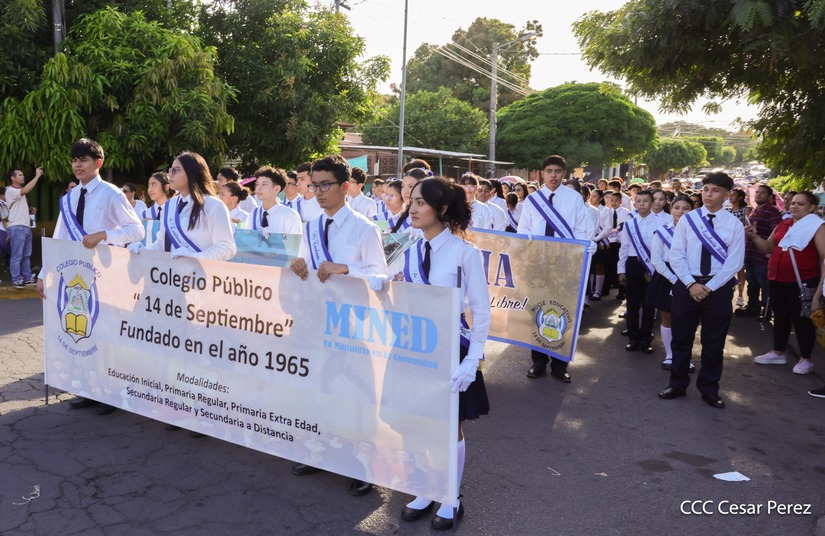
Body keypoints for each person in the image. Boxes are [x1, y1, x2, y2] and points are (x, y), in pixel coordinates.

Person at [371, 177, 490, 530]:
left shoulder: (464, 253)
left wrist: (473, 359)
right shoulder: (408, 246)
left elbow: (481, 312)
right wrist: (380, 280)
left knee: (448, 425)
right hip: (411, 342)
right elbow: (386, 276)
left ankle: (451, 496)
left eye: (421, 202)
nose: (414, 208)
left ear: (441, 209)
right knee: (412, 419)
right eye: (412, 201)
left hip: (449, 344)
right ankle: (425, 488)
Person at [289, 154, 387, 497]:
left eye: (325, 184)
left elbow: (381, 278)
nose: (318, 191)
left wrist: (348, 270)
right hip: (319, 323)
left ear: (345, 187)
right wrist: (298, 265)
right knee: (321, 387)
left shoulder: (364, 228)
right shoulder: (311, 226)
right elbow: (308, 267)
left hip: (355, 325)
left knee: (358, 394)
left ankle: (363, 463)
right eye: (314, 185)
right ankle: (321, 451)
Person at [38, 138, 145, 414]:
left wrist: (105, 235)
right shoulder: (70, 197)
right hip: (75, 277)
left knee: (107, 334)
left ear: (98, 163)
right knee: (84, 334)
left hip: (106, 275)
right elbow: (59, 238)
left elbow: (137, 230)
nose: (77, 164)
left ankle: (112, 392)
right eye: (74, 160)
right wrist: (43, 274)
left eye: (83, 159)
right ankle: (89, 388)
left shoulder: (111, 194)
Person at [658, 172, 745, 409]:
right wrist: (691, 284)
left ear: (727, 195)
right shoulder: (689, 220)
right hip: (688, 284)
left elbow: (735, 262)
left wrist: (709, 287)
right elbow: (676, 255)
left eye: (715, 190)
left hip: (718, 288)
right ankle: (677, 384)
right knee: (681, 338)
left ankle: (709, 389)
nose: (708, 194)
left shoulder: (734, 225)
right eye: (706, 189)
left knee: (714, 342)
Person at [517, 155, 595, 383]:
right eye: (549, 171)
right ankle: (538, 361)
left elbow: (582, 230)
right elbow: (523, 230)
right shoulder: (533, 200)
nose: (553, 175)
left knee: (564, 312)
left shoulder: (574, 199)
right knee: (538, 311)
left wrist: (578, 253)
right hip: (539, 265)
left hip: (566, 265)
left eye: (557, 171)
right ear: (542, 173)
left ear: (564, 173)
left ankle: (560, 365)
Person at [746, 191, 825, 376]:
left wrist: (819, 291)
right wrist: (754, 236)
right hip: (776, 278)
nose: (794, 206)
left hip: (803, 281)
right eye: (793, 203)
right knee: (780, 316)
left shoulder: (818, 227)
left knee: (802, 320)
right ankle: (778, 352)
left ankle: (806, 359)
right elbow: (768, 247)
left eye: (800, 204)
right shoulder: (784, 223)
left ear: (812, 207)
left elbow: (824, 259)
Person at [130, 151, 236, 261]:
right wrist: (143, 251)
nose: (170, 175)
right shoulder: (169, 205)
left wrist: (196, 257)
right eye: (171, 170)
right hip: (170, 274)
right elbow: (161, 244)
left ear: (192, 173)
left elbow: (227, 248)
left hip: (199, 275)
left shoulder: (214, 206)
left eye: (176, 170)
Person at [649, 195, 695, 370]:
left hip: (690, 277)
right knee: (666, 316)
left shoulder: (697, 232)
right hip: (667, 275)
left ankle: (685, 356)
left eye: (686, 208)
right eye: (677, 207)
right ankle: (670, 355)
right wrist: (675, 280)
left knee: (687, 319)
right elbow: (657, 260)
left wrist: (685, 280)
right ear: (671, 209)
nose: (680, 211)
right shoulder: (662, 231)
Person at [618, 190, 663, 353]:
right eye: (639, 201)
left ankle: (646, 339)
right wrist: (621, 270)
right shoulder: (630, 223)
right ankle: (633, 337)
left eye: (645, 201)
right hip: (633, 265)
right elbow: (624, 248)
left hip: (651, 266)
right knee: (632, 303)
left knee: (649, 304)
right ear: (634, 203)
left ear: (652, 203)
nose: (642, 203)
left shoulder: (660, 223)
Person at [737, 184, 782, 319]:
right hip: (751, 254)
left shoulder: (772, 211)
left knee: (764, 284)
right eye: (757, 192)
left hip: (763, 255)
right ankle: (753, 308)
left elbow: (777, 233)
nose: (758, 195)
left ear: (769, 197)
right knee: (752, 283)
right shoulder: (754, 211)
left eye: (762, 193)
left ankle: (766, 311)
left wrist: (770, 251)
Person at [5, 167, 44, 288]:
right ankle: (16, 279)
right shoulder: (10, 190)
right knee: (17, 256)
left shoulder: (19, 191)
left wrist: (30, 211)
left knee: (26, 255)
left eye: (22, 175)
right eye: (20, 175)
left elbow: (18, 207)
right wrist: (37, 176)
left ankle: (27, 278)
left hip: (25, 227)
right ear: (13, 178)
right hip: (16, 227)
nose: (23, 177)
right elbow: (27, 189)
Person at [249, 166, 302, 234]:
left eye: (264, 184)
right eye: (257, 184)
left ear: (277, 189)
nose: (258, 188)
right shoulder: (253, 214)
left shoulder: (290, 215)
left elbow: (295, 243)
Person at [140, 172, 174, 246]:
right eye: (149, 186)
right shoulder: (145, 213)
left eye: (154, 185)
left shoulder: (175, 210)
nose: (150, 190)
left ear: (166, 187)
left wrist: (156, 223)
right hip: (149, 255)